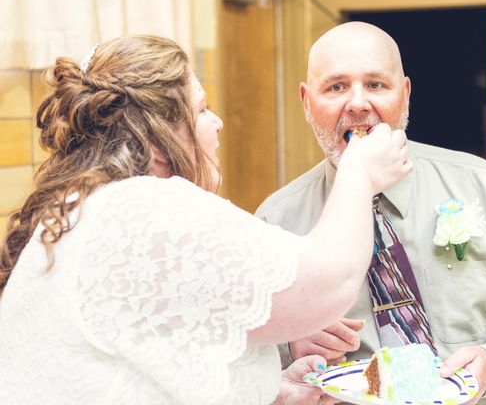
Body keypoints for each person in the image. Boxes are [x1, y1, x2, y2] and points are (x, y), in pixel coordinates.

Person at [0, 35, 413, 404]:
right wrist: (359, 172)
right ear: (156, 137)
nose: (217, 125)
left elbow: (156, 356)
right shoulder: (146, 211)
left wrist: (273, 389)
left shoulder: (94, 207)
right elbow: (329, 282)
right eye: (201, 109)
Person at [256, 22, 486, 405]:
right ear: (306, 100)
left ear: (405, 94)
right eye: (336, 87)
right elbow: (237, 353)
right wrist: (288, 346)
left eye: (376, 85)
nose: (358, 103)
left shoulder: (485, 188)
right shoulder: (274, 222)